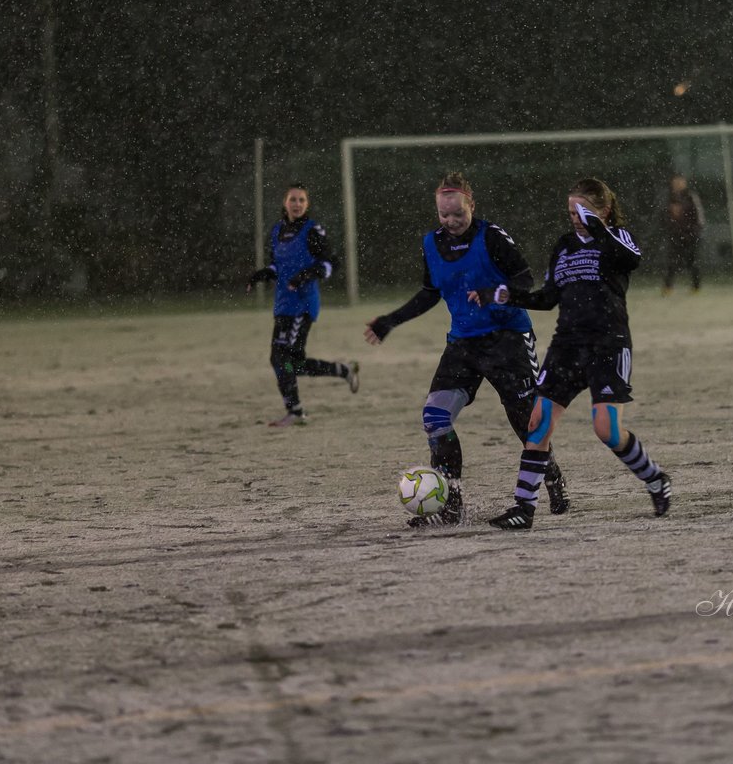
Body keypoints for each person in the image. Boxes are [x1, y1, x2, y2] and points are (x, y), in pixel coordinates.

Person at [364, 172, 569, 529]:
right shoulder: (431, 243)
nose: (451, 221)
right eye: (444, 215)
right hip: (462, 344)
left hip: (507, 339)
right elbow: (431, 292)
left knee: (526, 424)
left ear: (472, 205)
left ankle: (551, 475)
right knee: (435, 418)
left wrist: (495, 291)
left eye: (458, 213)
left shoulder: (492, 236)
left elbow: (524, 279)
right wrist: (390, 321)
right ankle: (451, 501)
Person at [470, 177, 673, 530]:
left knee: (606, 429)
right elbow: (547, 298)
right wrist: (501, 294)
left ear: (604, 210)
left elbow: (632, 259)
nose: (575, 218)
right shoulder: (564, 246)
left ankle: (655, 479)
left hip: (608, 344)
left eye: (582, 210)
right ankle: (524, 508)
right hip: (567, 346)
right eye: (570, 211)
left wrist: (597, 226)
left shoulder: (616, 238)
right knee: (538, 421)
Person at [247, 183, 359, 427]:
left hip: (303, 305)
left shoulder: (312, 231)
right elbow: (278, 266)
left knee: (280, 359)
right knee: (292, 363)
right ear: (284, 203)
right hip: (282, 305)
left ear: (307, 204)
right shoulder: (277, 230)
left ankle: (295, 411)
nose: (297, 204)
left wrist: (306, 275)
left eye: (301, 200)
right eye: (292, 199)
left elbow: (330, 263)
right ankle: (343, 371)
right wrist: (264, 274)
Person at [662, 173, 704, 295]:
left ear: (684, 183)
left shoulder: (691, 197)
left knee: (693, 261)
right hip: (675, 235)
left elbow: (699, 216)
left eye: (680, 182)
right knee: (672, 262)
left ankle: (696, 287)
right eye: (675, 182)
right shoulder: (669, 198)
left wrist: (694, 231)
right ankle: (668, 287)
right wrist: (669, 228)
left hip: (691, 235)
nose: (678, 184)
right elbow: (664, 215)